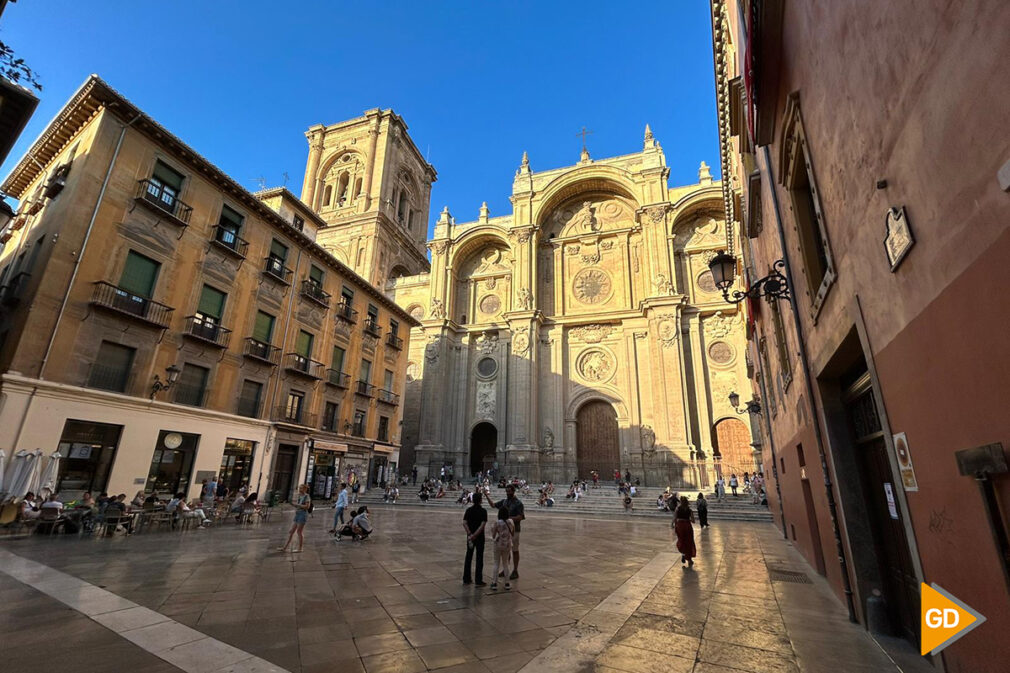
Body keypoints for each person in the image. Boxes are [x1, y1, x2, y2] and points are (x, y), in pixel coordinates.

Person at [493, 484, 525, 580]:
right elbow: (493, 505)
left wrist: (509, 519)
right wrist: (486, 496)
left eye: (509, 491)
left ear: (513, 491)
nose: (507, 493)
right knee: (506, 550)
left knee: (514, 550)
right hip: (506, 530)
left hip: (515, 530)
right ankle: (505, 569)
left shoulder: (518, 503)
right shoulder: (504, 502)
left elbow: (521, 517)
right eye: (506, 491)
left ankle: (515, 570)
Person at [463, 492, 487, 586]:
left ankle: (466, 578)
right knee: (479, 558)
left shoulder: (468, 510)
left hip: (470, 537)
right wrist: (475, 535)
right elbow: (482, 525)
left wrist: (470, 534)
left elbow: (464, 523)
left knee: (468, 556)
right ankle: (478, 579)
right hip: (480, 537)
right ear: (481, 500)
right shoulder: (483, 511)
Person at [279, 484, 311, 552]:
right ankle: (285, 547)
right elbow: (299, 505)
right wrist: (294, 505)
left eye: (301, 488)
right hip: (298, 514)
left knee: (299, 532)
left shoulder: (307, 496)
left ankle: (300, 548)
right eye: (299, 488)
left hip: (303, 514)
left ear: (305, 489)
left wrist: (298, 505)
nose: (300, 489)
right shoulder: (299, 496)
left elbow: (307, 506)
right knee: (291, 531)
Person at [490, 506, 515, 591]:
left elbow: (493, 535)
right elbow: (513, 533)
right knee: (506, 563)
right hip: (507, 544)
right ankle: (507, 583)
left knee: (496, 563)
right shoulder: (511, 521)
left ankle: (494, 583)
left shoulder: (497, 522)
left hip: (498, 544)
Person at [673, 496, 697, 566]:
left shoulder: (677, 509)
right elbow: (693, 521)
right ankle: (689, 560)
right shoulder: (689, 510)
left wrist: (674, 525)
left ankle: (683, 553)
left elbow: (675, 518)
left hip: (680, 526)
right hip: (687, 526)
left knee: (681, 540)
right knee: (689, 542)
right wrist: (688, 519)